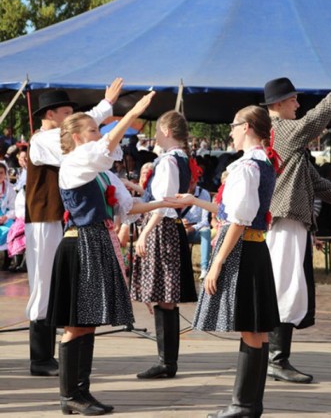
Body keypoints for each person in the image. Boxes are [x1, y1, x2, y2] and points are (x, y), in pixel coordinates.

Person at [46, 92, 174, 415]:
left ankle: (81, 392)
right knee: (76, 323)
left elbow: (127, 208)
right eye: (92, 130)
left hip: (97, 242)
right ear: (77, 138)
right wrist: (131, 113)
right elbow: (104, 148)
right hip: (80, 244)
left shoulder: (98, 172)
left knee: (87, 322)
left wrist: (165, 203)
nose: (99, 134)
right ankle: (69, 395)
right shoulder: (75, 162)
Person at [170, 105, 281, 417]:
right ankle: (249, 404)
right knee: (256, 330)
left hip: (243, 250)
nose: (231, 131)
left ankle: (243, 405)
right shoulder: (263, 162)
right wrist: (195, 201)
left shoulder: (247, 166)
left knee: (250, 328)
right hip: (254, 249)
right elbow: (232, 212)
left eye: (233, 125)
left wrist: (216, 262)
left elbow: (239, 220)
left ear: (246, 127)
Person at [263, 68, 331, 384]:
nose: (297, 104)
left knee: (290, 289)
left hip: (290, 221)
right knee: (285, 290)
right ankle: (275, 360)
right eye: (292, 99)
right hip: (285, 221)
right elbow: (313, 123)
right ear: (276, 105)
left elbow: (315, 182)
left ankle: (276, 359)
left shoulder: (283, 136)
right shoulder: (282, 130)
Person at [25, 80, 122, 377]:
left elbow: (81, 134)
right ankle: (40, 357)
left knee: (57, 282)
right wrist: (104, 108)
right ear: (51, 114)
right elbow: (78, 137)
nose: (71, 119)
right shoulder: (41, 140)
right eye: (66, 113)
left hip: (62, 220)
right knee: (43, 283)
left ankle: (51, 352)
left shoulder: (57, 136)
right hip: (44, 220)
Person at [131, 110, 198, 379]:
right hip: (166, 228)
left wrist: (145, 232)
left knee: (165, 297)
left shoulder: (170, 161)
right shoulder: (178, 159)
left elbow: (165, 204)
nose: (156, 135)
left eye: (158, 130)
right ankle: (166, 361)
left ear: (167, 132)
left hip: (162, 229)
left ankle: (166, 362)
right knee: (164, 297)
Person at [182, 177, 212, 280]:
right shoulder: (178, 191)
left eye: (192, 181)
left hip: (196, 229)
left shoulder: (204, 194)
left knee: (206, 230)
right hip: (180, 227)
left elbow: (205, 221)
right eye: (188, 181)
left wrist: (192, 228)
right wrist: (180, 223)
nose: (190, 184)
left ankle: (204, 268)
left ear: (196, 181)